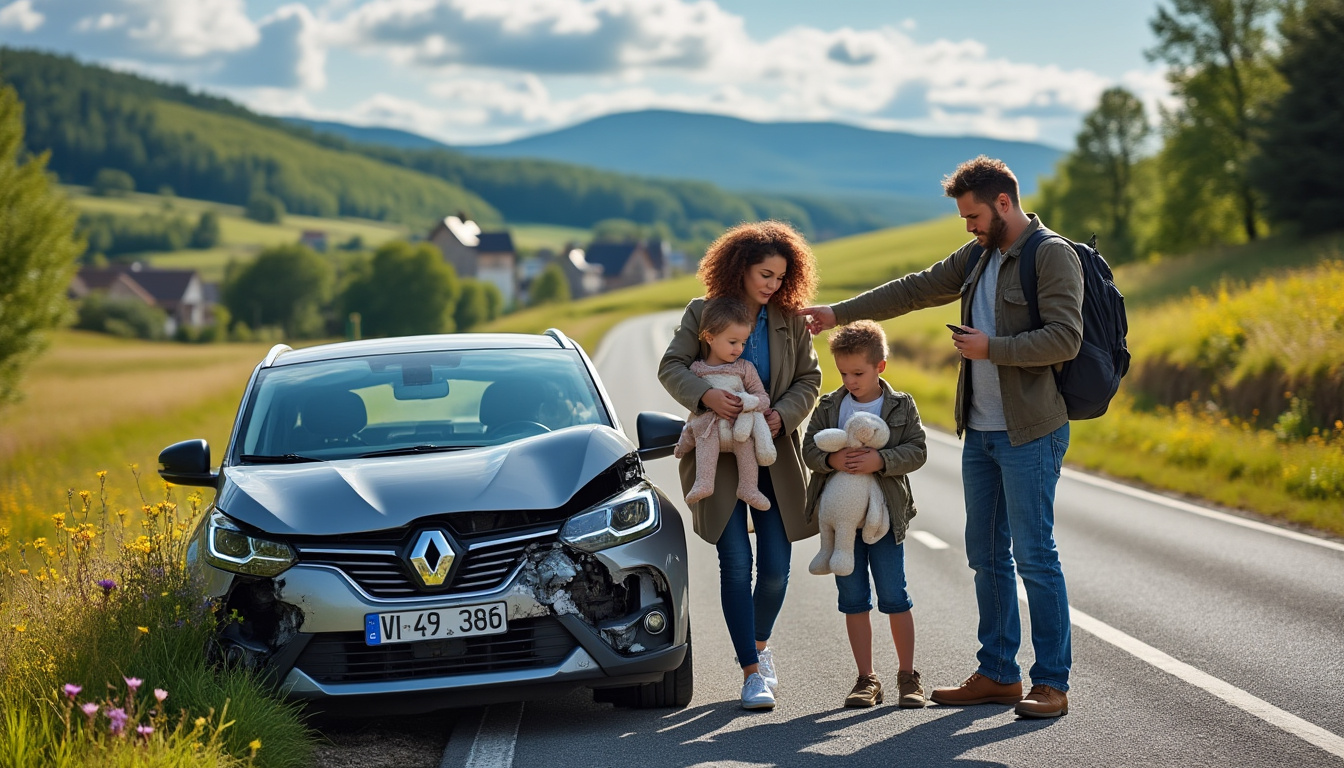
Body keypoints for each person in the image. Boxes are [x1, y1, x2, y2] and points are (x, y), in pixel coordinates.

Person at [801, 156, 1084, 719]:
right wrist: (837, 313)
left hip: (1030, 432)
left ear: (1004, 203)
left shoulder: (1051, 255)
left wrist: (992, 348)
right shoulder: (979, 256)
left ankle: (1050, 682)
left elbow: (1065, 338)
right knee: (985, 556)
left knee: (1034, 557)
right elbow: (914, 289)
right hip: (980, 432)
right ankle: (999, 673)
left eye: (975, 215)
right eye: (964, 218)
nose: (970, 226)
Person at [659, 221, 822, 711]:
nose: (772, 284)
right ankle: (752, 673)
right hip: (718, 450)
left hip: (772, 450)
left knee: (775, 567)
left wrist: (782, 415)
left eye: (780, 276)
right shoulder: (701, 311)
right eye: (764, 274)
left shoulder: (790, 320)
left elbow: (810, 379)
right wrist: (706, 395)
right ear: (740, 268)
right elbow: (671, 366)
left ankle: (760, 645)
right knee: (736, 562)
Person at [802, 320, 928, 709]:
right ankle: (866, 679)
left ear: (880, 367)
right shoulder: (829, 406)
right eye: (843, 373)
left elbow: (918, 451)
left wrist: (881, 459)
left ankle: (908, 676)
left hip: (885, 518)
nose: (850, 381)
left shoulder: (901, 405)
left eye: (858, 373)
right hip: (842, 523)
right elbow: (809, 450)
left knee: (894, 595)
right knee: (853, 599)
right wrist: (830, 458)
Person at [672, 296, 776, 510]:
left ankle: (748, 487)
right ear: (709, 337)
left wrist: (749, 403)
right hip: (710, 428)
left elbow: (762, 397)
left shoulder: (744, 368)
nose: (739, 349)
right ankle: (704, 482)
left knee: (746, 446)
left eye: (743, 343)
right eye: (732, 342)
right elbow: (690, 421)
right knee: (702, 437)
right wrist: (682, 447)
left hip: (740, 428)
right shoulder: (697, 371)